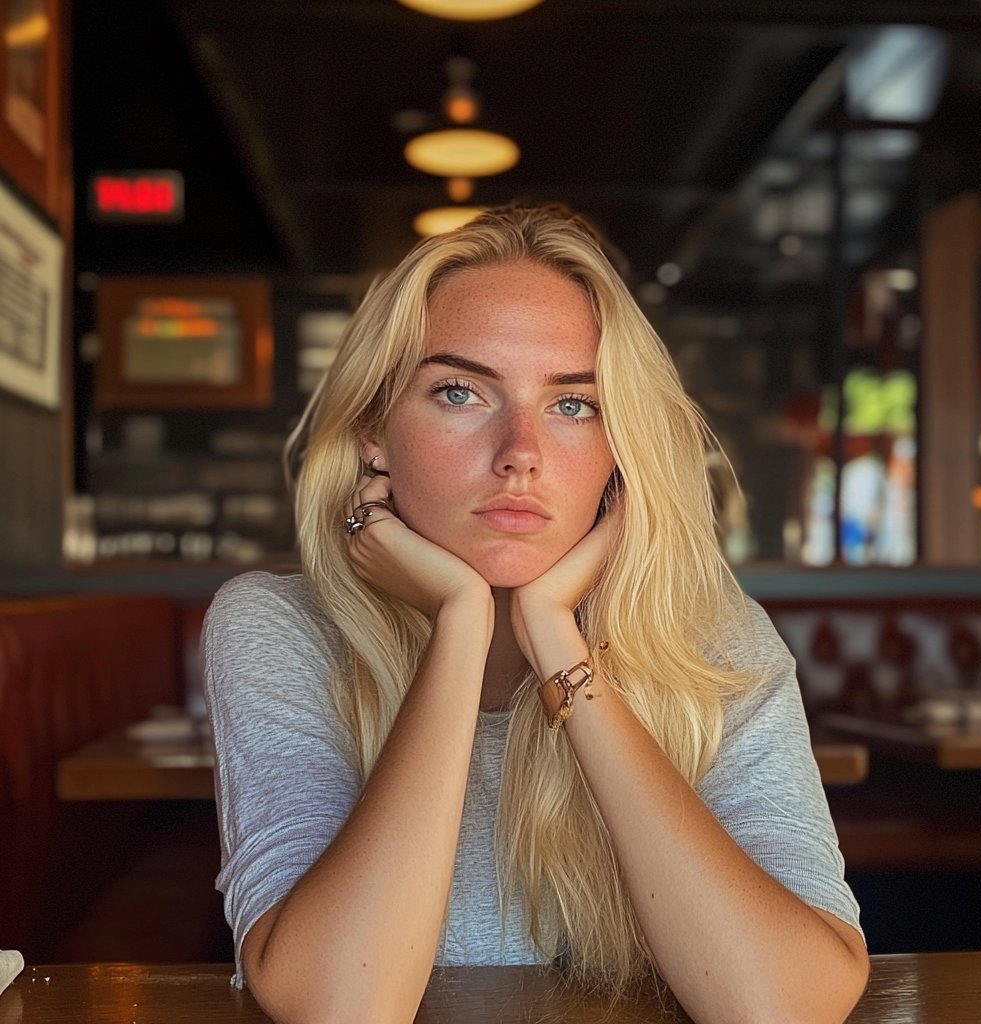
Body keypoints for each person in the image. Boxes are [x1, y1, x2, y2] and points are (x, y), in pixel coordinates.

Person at [202, 205, 869, 1024]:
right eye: (459, 391)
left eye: (573, 406)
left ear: (622, 449)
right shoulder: (277, 628)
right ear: (374, 430)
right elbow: (342, 1005)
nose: (521, 451)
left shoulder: (708, 637)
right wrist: (460, 623)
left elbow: (785, 1007)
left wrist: (557, 640)